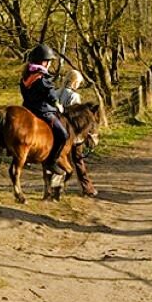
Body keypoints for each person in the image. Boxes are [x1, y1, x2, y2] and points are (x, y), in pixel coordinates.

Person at [21, 43, 70, 188]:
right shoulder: (41, 77)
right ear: (43, 61)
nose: (49, 64)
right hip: (43, 111)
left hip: (27, 109)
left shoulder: (26, 75)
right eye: (48, 61)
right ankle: (51, 161)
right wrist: (57, 103)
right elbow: (50, 94)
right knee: (63, 135)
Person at [54, 69, 98, 198]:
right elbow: (78, 117)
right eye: (78, 82)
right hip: (72, 132)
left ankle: (57, 186)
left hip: (58, 129)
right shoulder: (74, 96)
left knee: (60, 158)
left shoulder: (57, 92)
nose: (79, 85)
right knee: (78, 160)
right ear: (74, 82)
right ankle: (87, 188)